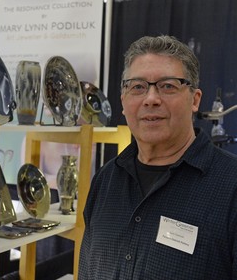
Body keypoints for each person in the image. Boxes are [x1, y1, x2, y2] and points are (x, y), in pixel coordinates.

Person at [78, 35, 237, 279]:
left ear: (195, 100)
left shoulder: (231, 186)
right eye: (138, 87)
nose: (151, 99)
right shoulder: (105, 181)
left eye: (168, 86)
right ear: (123, 101)